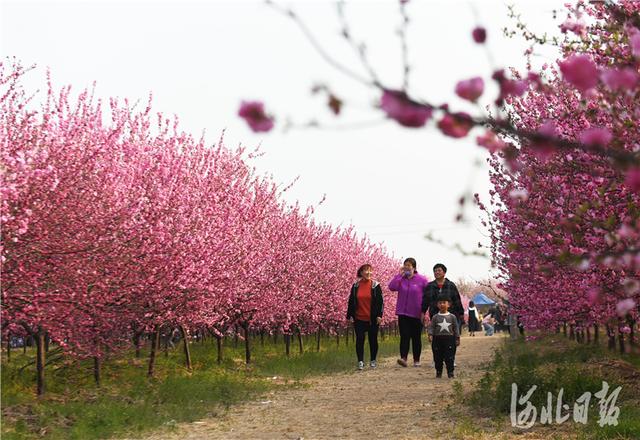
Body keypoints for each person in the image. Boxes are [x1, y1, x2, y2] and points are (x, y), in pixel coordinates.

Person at [388, 257, 429, 367]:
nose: (406, 267)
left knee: (416, 337)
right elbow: (391, 287)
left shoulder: (422, 280)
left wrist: (424, 310)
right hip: (403, 313)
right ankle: (403, 358)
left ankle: (416, 360)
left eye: (409, 265)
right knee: (404, 336)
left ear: (414, 267)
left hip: (417, 313)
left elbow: (428, 295)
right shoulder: (401, 279)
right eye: (405, 265)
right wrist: (398, 275)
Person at [347, 263, 384, 370]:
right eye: (366, 270)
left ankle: (373, 360)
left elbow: (380, 302)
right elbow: (351, 301)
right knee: (360, 339)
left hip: (372, 318)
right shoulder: (355, 286)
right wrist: (350, 315)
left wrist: (379, 315)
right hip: (359, 318)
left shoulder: (375, 285)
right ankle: (360, 361)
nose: (368, 272)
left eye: (370, 270)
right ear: (361, 272)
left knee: (373, 339)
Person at [423, 263, 464, 334]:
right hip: (435, 315)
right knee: (436, 336)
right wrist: (423, 312)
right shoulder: (430, 286)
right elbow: (425, 301)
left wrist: (461, 313)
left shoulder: (450, 285)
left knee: (451, 336)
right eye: (435, 271)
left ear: (444, 273)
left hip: (450, 315)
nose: (437, 272)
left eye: (439, 270)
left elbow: (457, 300)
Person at [427, 293, 460, 378]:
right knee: (437, 357)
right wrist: (430, 335)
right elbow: (431, 327)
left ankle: (450, 372)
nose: (442, 304)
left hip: (450, 339)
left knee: (450, 356)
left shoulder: (452, 317)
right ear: (437, 305)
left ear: (448, 304)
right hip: (437, 339)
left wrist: (457, 338)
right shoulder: (435, 317)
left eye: (444, 302)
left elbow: (456, 327)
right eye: (440, 303)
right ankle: (438, 372)